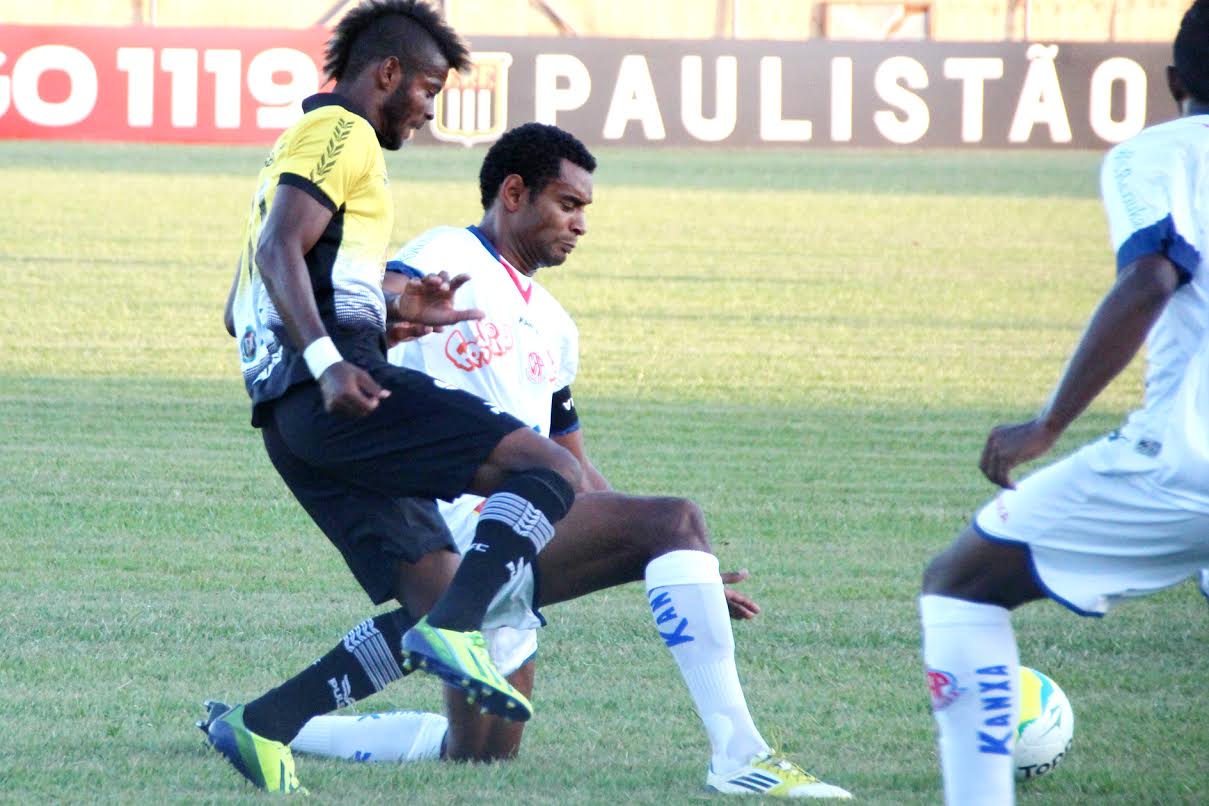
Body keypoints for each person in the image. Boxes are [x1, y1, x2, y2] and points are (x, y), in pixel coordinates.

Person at [228, 122, 852, 799]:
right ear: (514, 193)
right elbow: (367, 298)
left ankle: (272, 723)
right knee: (674, 519)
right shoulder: (447, 252)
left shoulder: (555, 324)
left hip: (522, 524)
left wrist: (682, 566)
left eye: (585, 209)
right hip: (452, 516)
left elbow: (570, 461)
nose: (580, 223)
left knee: (481, 752)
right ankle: (740, 755)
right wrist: (663, 536)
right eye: (567, 203)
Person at [207, 1, 587, 793]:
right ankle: (457, 632)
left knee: (432, 596)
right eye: (427, 89)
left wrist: (388, 316)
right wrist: (331, 361)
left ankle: (263, 723)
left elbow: (240, 309)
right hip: (334, 394)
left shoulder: (304, 149)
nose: (428, 109)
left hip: (292, 418)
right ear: (386, 73)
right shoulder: (339, 132)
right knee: (547, 468)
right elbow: (279, 249)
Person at [919, 3, 1209, 803]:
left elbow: (1150, 277)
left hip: (1185, 461)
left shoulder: (1158, 154)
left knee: (961, 582)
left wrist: (1047, 425)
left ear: (1171, 81)